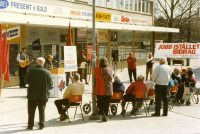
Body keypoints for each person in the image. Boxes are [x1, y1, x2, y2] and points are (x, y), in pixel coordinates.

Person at [24, 57, 52, 130]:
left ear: (37, 63)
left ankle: (30, 125)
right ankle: (41, 125)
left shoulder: (31, 71)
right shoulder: (47, 72)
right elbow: (50, 83)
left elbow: (25, 80)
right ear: (44, 63)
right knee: (42, 111)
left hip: (32, 94)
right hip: (43, 95)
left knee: (31, 111)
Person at [94, 57, 113, 122]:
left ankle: (104, 115)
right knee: (106, 104)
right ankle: (106, 116)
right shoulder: (109, 69)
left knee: (100, 103)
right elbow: (111, 78)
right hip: (108, 89)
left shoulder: (96, 69)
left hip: (100, 89)